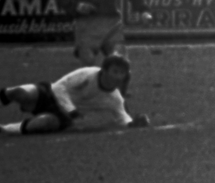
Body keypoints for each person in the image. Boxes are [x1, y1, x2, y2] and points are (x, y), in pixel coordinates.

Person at [0, 54, 150, 135]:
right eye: (115, 71)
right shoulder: (88, 74)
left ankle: (6, 128)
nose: (118, 76)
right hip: (49, 93)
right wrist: (72, 111)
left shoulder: (115, 99)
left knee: (42, 124)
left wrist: (133, 124)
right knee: (20, 92)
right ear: (104, 70)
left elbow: (121, 116)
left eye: (122, 73)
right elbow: (59, 88)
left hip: (61, 116)